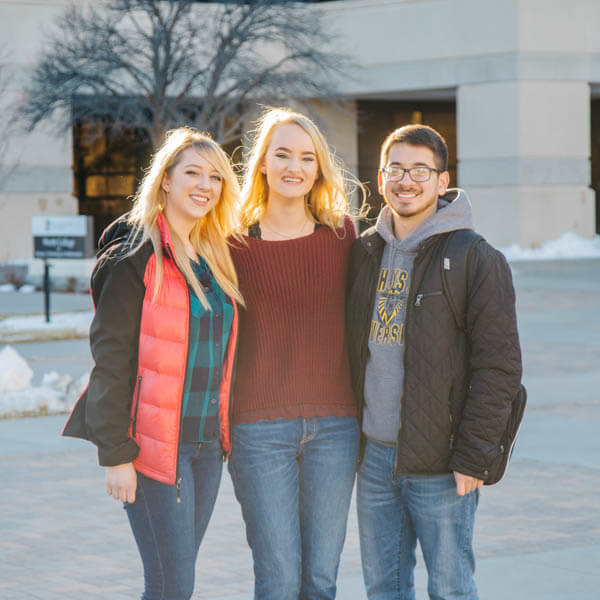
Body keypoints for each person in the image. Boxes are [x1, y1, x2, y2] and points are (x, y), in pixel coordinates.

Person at [62, 127, 243, 600]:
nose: (205, 185)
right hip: (152, 449)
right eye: (192, 173)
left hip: (205, 448)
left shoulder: (215, 258)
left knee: (173, 583)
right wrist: (116, 454)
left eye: (216, 177)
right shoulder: (132, 258)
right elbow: (111, 361)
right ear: (165, 179)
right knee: (170, 586)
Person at [346, 124, 522, 600]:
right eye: (397, 169)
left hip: (443, 465)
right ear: (381, 178)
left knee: (450, 589)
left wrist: (473, 457)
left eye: (421, 170)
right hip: (375, 459)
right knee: (383, 588)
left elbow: (500, 368)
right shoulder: (365, 251)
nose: (407, 180)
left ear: (443, 181)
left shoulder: (475, 258)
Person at [228, 107, 361, 600]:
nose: (294, 167)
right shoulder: (231, 244)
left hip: (336, 429)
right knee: (279, 579)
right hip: (258, 432)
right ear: (261, 163)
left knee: (321, 581)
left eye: (307, 158)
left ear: (319, 169)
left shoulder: (345, 237)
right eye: (282, 154)